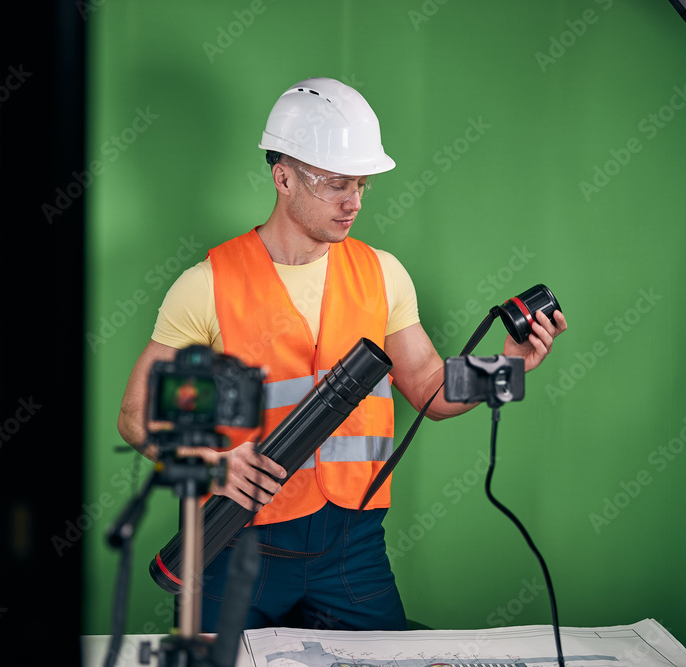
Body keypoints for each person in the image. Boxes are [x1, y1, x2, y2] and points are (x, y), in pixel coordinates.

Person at [117, 77, 567, 632]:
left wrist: (508, 367)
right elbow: (136, 418)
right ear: (283, 177)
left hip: (352, 551)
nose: (352, 202)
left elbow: (428, 383)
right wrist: (211, 464)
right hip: (237, 543)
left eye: (361, 185)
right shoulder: (206, 284)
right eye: (335, 184)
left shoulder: (382, 273)